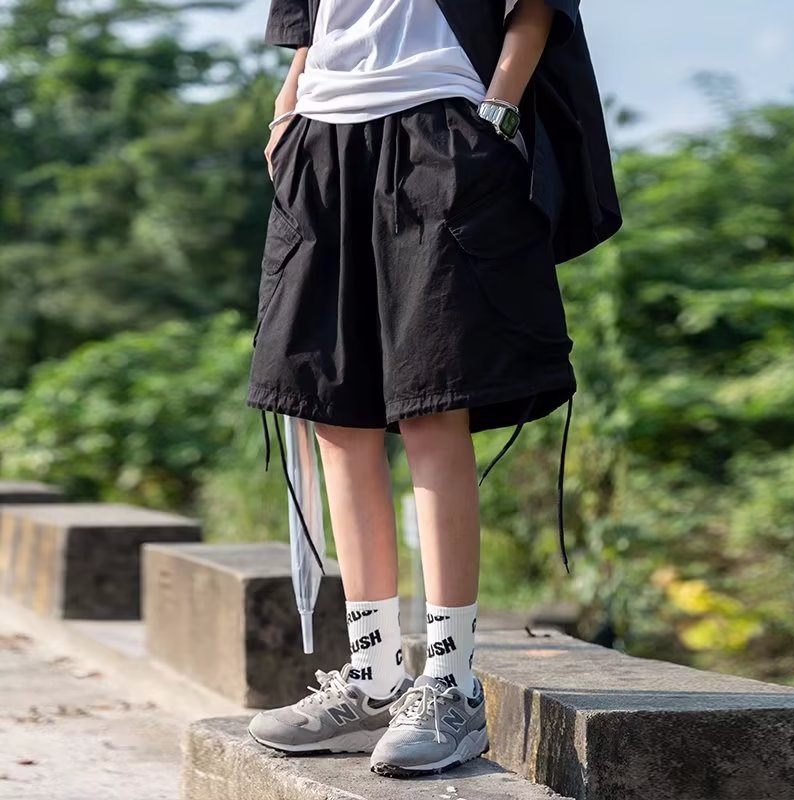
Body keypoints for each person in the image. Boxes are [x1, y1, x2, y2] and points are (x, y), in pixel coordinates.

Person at [247, 0, 621, 779]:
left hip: (440, 128)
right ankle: (374, 672)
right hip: (321, 138)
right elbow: (311, 21)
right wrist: (289, 107)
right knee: (333, 416)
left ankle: (449, 686)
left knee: (431, 406)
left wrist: (499, 108)